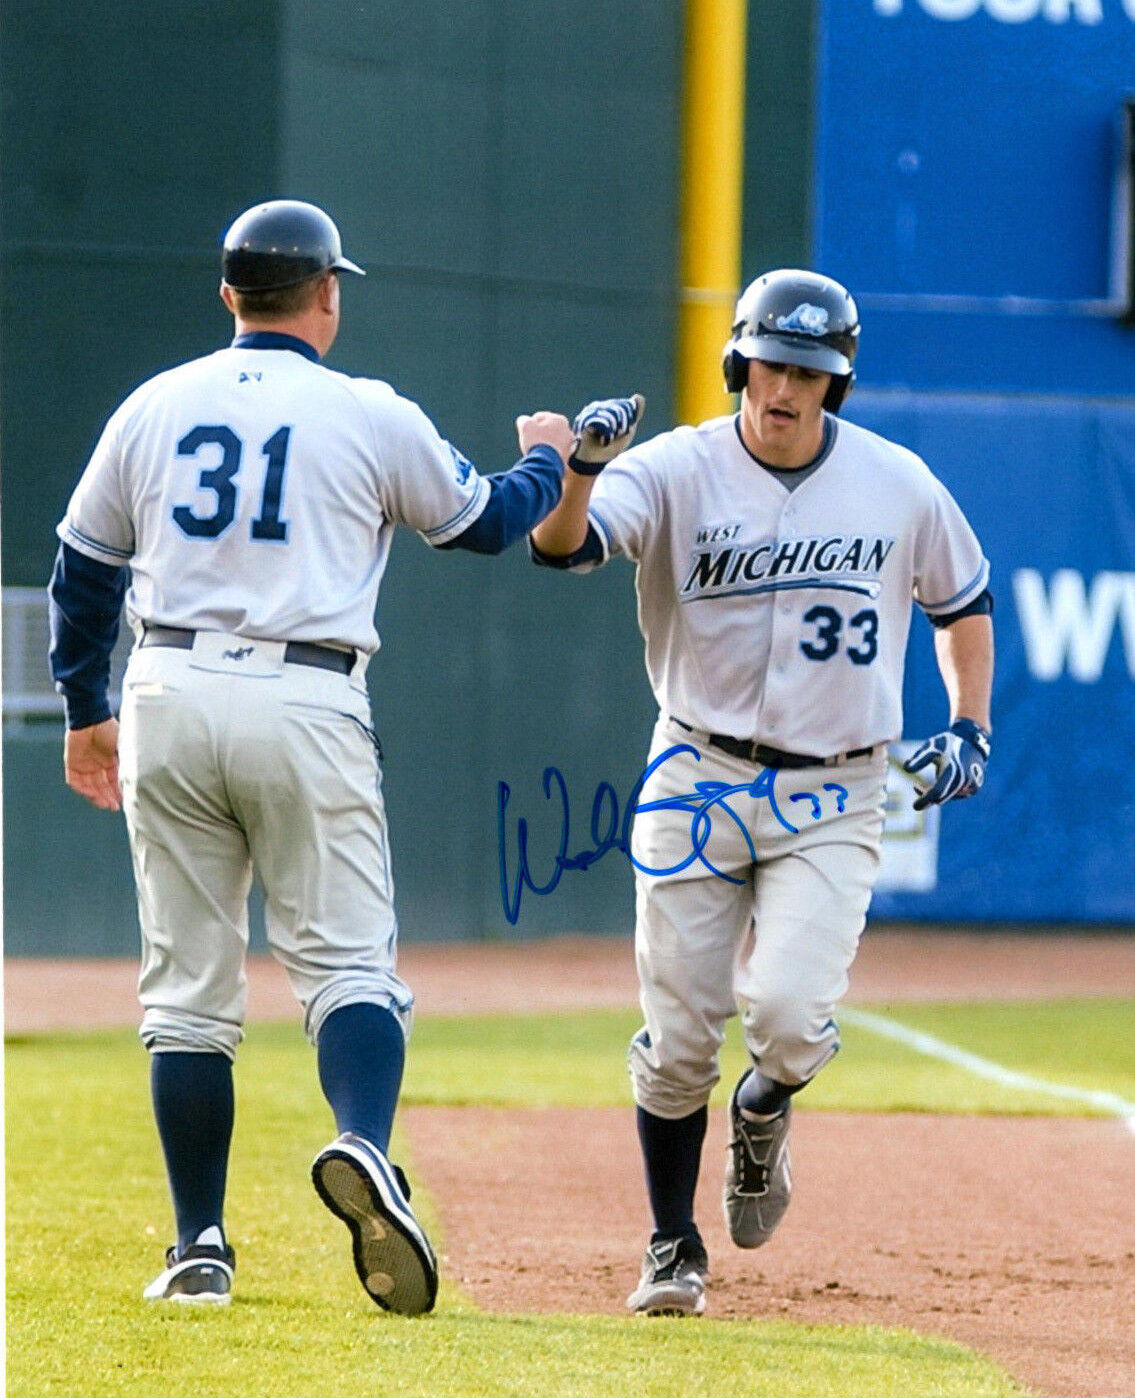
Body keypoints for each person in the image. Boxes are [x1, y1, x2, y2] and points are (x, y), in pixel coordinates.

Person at [47, 198, 585, 1315]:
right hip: (304, 690)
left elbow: (84, 567)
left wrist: (82, 708)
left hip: (167, 688)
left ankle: (199, 1246)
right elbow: (485, 523)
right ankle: (363, 1146)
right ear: (328, 294)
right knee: (347, 967)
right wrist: (549, 459)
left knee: (189, 996)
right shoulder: (366, 412)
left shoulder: (155, 404)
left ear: (228, 292)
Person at [529, 268, 994, 1316]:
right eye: (772, 365)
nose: (786, 389)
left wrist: (970, 723)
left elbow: (963, 602)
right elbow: (561, 551)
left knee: (785, 1021)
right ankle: (668, 1243)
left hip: (835, 785)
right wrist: (581, 474)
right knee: (680, 1030)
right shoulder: (676, 467)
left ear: (838, 383)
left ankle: (763, 1109)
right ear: (738, 361)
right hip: (695, 765)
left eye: (811, 372)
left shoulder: (896, 482)